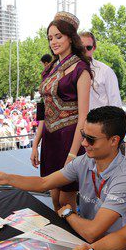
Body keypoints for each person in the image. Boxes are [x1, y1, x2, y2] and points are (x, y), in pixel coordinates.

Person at [0, 106, 126, 250]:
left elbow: (92, 232)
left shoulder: (125, 178)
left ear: (114, 140)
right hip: (84, 242)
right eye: (83, 135)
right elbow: (44, 182)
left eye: (91, 139)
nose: (84, 143)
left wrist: (68, 213)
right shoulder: (86, 161)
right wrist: (6, 178)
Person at [33, 11, 92, 212]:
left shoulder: (81, 69)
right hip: (50, 140)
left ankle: (73, 242)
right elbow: (43, 109)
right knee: (55, 199)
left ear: (70, 37)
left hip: (70, 139)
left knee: (67, 202)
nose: (53, 42)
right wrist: (35, 143)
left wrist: (73, 154)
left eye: (58, 36)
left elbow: (83, 115)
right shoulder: (49, 69)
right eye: (50, 38)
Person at [79, 32, 122, 110]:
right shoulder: (69, 70)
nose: (84, 50)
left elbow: (115, 102)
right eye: (81, 47)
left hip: (99, 121)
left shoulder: (105, 71)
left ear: (94, 48)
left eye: (88, 47)